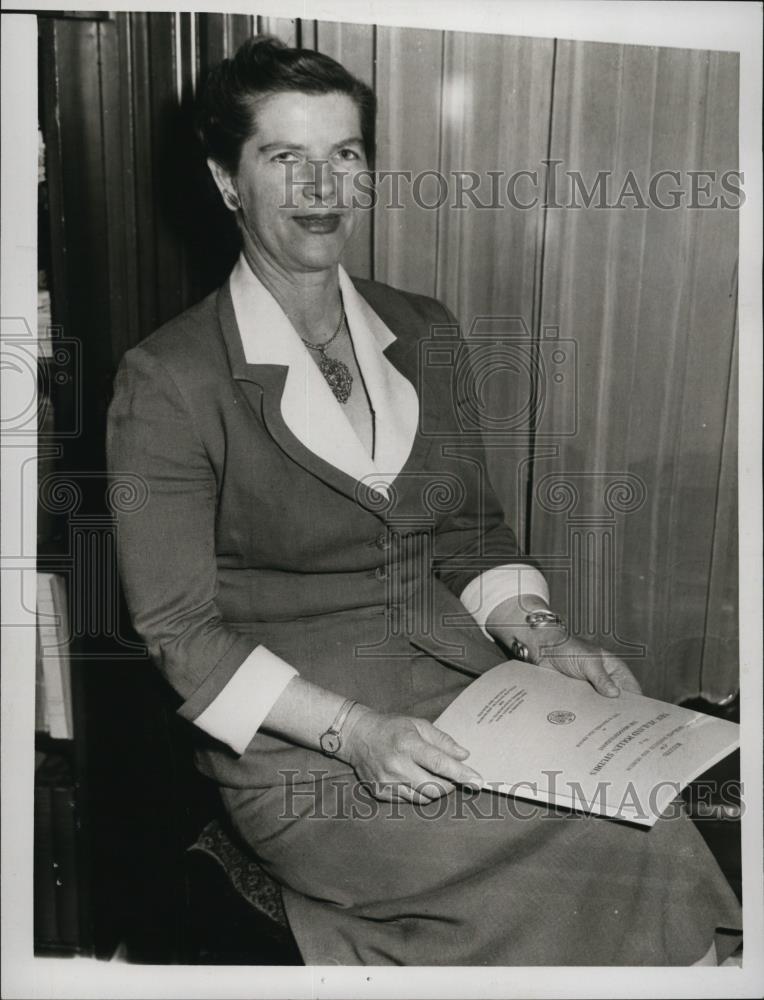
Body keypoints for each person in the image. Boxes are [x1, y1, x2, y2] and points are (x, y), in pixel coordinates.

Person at [106, 36, 742, 966]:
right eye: (285, 157)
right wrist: (356, 734)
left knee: (642, 812)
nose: (322, 186)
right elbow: (178, 632)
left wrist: (545, 639)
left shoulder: (423, 327)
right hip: (303, 746)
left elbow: (472, 534)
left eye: (345, 153)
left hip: (468, 694)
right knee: (588, 854)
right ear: (226, 182)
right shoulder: (168, 378)